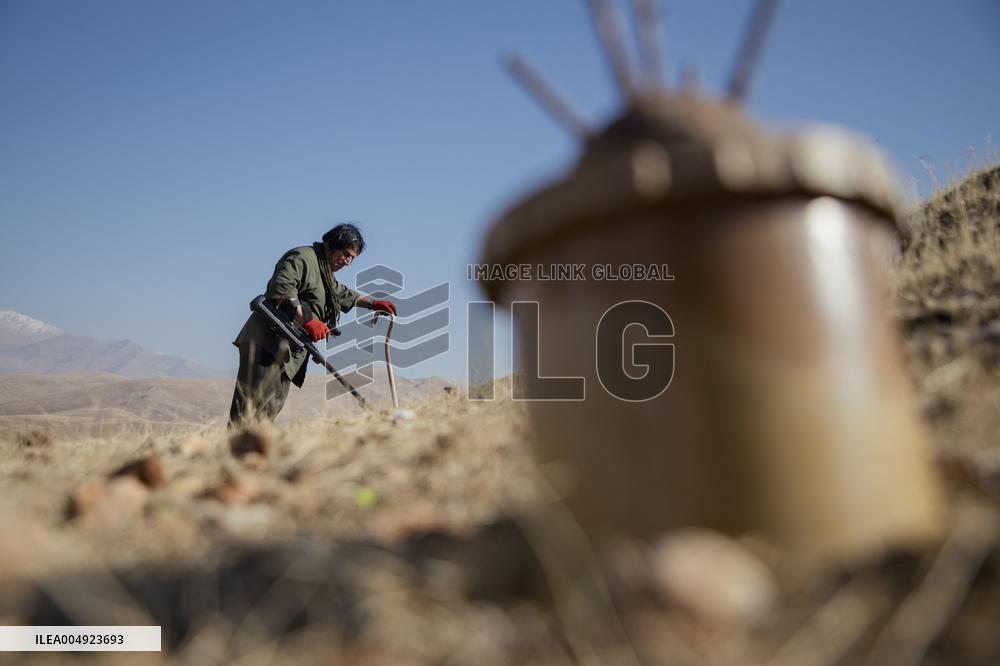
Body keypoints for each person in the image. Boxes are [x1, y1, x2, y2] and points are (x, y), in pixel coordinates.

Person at [228, 223, 396, 427]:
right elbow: (282, 288)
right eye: (345, 254)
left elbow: (340, 293)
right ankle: (233, 451)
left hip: (287, 349)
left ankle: (251, 452)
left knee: (269, 408)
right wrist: (308, 321)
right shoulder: (303, 257)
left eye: (352, 258)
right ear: (330, 244)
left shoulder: (324, 271)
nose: (348, 262)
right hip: (267, 343)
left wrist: (372, 303)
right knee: (251, 406)